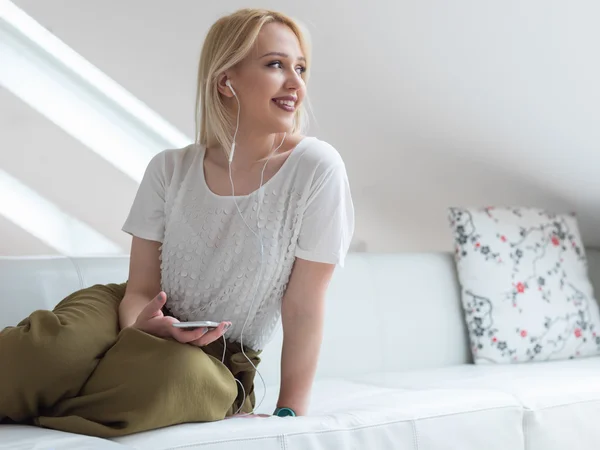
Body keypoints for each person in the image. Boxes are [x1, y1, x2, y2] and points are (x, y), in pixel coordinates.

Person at [0, 8, 354, 436]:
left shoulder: (317, 167)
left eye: (300, 67)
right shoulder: (169, 168)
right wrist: (139, 327)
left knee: (172, 379)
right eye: (276, 64)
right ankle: (67, 372)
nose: (296, 82)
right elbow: (140, 290)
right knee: (48, 351)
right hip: (125, 310)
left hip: (220, 356)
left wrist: (290, 413)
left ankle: (46, 401)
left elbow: (303, 307)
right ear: (226, 80)